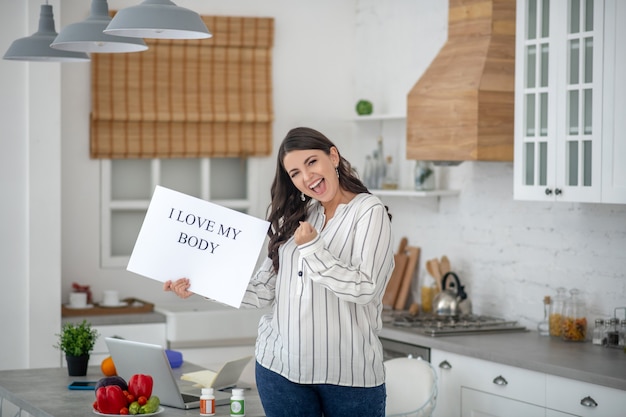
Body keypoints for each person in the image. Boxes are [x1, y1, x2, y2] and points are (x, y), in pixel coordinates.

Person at [164, 127, 395, 417]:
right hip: (282, 370)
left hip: (350, 377)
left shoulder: (368, 211)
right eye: (295, 173)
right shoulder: (298, 215)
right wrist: (201, 284)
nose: (307, 177)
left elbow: (365, 288)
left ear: (333, 156)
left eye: (312, 162)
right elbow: (263, 291)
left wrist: (312, 248)